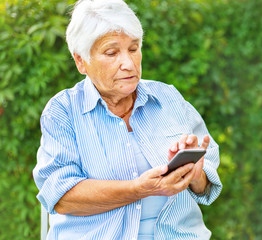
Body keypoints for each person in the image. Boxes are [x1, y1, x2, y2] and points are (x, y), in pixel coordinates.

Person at [33, 0, 222, 239]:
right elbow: (62, 197)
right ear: (81, 61)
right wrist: (138, 189)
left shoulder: (168, 98)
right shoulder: (62, 111)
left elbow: (206, 185)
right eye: (112, 53)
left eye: (133, 49)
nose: (129, 63)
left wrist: (195, 175)